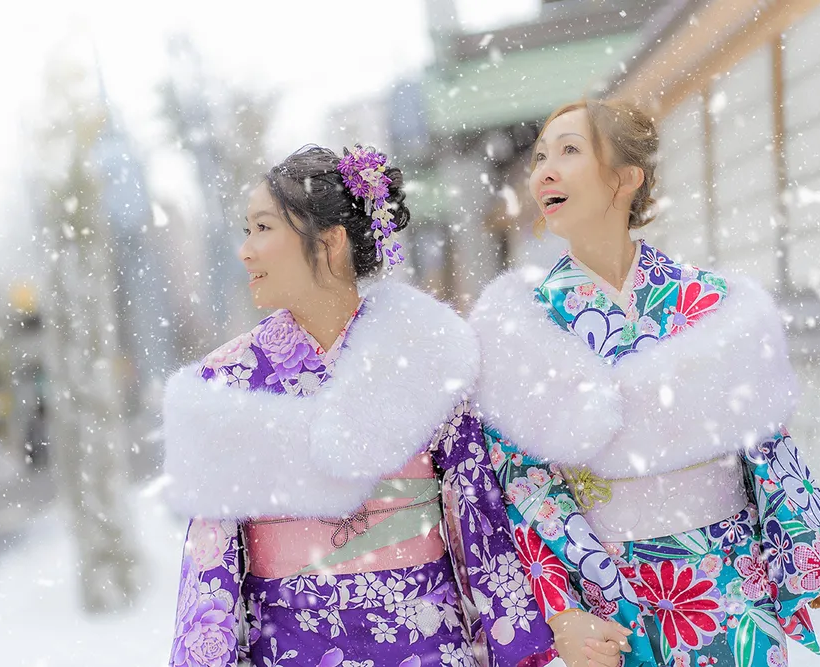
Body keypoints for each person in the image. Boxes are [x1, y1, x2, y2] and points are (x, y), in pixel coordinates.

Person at [162, 145, 559, 666]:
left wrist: (518, 649)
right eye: (246, 230)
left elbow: (476, 521)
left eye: (263, 228)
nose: (246, 251)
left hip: (425, 640)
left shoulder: (423, 356)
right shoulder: (224, 383)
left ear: (329, 241)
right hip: (291, 648)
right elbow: (211, 566)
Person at [470, 99, 820, 667]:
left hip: (731, 577)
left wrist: (809, 553)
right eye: (540, 157)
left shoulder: (711, 303)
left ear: (625, 177)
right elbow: (521, 481)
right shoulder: (522, 325)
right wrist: (561, 607)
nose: (544, 170)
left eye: (569, 150)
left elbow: (767, 443)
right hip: (611, 589)